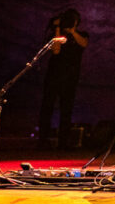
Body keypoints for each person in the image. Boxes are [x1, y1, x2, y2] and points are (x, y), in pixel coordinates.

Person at [38, 8, 89, 148]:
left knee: (66, 109)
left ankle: (63, 142)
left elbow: (83, 43)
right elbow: (55, 50)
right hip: (53, 76)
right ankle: (43, 140)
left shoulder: (81, 35)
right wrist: (57, 28)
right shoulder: (56, 35)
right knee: (47, 107)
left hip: (70, 78)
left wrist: (72, 30)